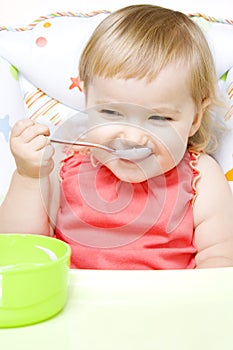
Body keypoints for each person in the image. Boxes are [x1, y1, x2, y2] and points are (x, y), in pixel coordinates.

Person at [1, 4, 233, 269]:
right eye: (111, 112)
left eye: (159, 119)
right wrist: (29, 176)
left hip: (168, 306)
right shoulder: (62, 164)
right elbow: (17, 245)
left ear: (194, 119)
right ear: (87, 99)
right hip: (75, 305)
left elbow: (221, 261)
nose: (133, 137)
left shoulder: (201, 176)